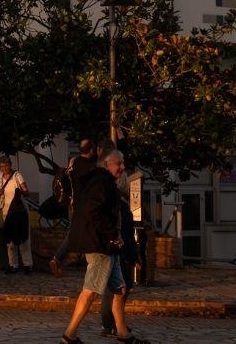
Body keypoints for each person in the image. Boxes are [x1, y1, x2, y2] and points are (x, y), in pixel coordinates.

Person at [60, 150, 145, 344]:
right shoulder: (102, 182)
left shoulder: (99, 181)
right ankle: (69, 335)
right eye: (118, 164)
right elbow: (93, 212)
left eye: (123, 163)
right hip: (101, 246)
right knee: (89, 292)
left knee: (119, 290)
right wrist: (113, 234)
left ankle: (123, 334)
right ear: (106, 165)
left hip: (107, 246)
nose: (122, 167)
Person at [51, 138, 97, 276]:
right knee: (78, 234)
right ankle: (58, 258)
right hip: (82, 206)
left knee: (77, 233)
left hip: (71, 204)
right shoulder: (89, 167)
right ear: (92, 150)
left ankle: (59, 259)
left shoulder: (73, 162)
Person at [101, 171, 138, 338]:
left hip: (107, 250)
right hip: (119, 251)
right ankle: (115, 324)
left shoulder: (107, 203)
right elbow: (127, 234)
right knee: (121, 288)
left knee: (111, 289)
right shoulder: (121, 206)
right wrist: (133, 257)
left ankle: (110, 325)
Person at [0, 155, 33, 274]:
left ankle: (27, 265)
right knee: (10, 239)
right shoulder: (0, 177)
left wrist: (22, 191)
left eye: (6, 166)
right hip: (7, 212)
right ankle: (13, 264)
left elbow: (27, 191)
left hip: (19, 211)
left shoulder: (17, 175)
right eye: (2, 167)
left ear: (10, 165)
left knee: (23, 237)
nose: (4, 169)